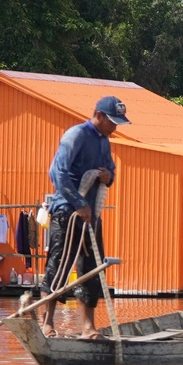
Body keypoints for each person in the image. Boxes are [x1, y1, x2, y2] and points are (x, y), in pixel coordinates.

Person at [40, 95, 128, 336]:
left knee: (92, 269)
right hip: (68, 213)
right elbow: (57, 173)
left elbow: (110, 169)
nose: (115, 127)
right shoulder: (76, 135)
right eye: (112, 122)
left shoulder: (105, 141)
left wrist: (109, 177)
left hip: (91, 216)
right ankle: (47, 323)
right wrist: (79, 203)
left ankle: (88, 328)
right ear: (99, 115)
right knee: (59, 267)